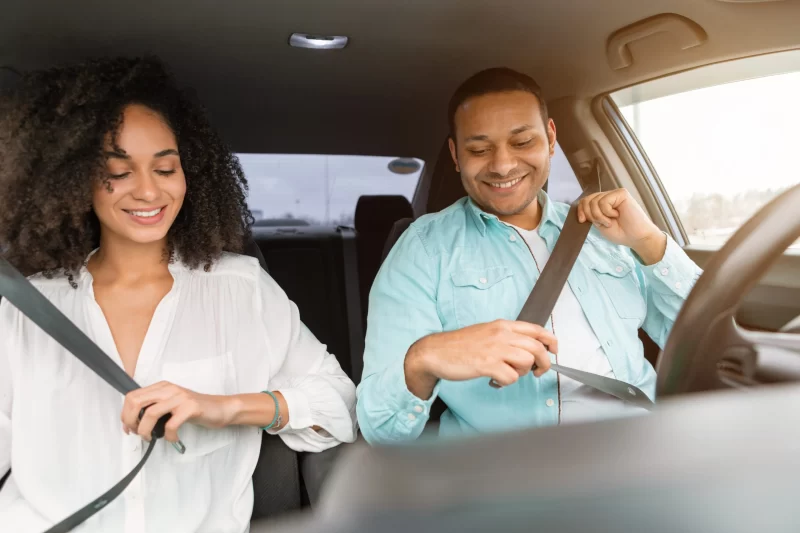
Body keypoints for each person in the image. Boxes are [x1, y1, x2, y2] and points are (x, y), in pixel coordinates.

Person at [0, 56, 357, 532]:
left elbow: (339, 406)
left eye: (165, 168)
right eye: (119, 172)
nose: (148, 191)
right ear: (75, 180)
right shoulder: (25, 307)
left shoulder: (241, 289)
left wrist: (227, 407)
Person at [357, 67, 703, 443]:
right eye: (479, 149)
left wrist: (650, 241)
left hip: (642, 448)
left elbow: (703, 342)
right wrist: (425, 357)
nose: (503, 165)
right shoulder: (422, 249)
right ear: (456, 155)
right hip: (511, 473)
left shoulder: (605, 230)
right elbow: (381, 432)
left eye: (522, 142)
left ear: (551, 139)